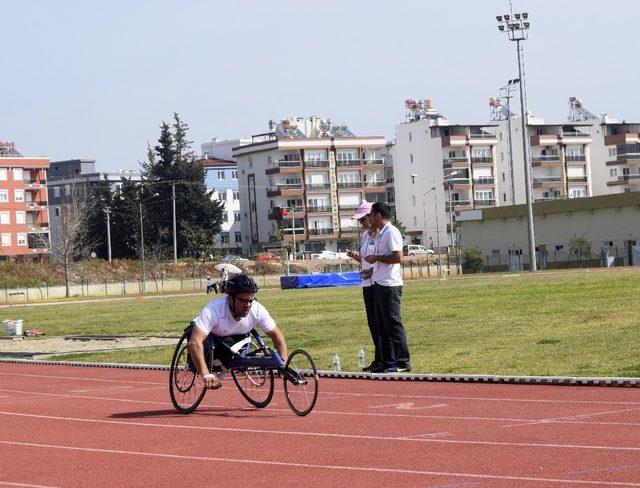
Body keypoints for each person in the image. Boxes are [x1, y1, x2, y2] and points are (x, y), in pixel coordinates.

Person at [188, 274, 288, 389]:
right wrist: (205, 374)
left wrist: (283, 362)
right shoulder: (213, 310)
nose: (248, 305)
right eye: (243, 300)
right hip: (210, 335)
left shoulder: (257, 309)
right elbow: (194, 342)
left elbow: (276, 335)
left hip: (233, 340)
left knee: (233, 347)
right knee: (205, 345)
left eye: (251, 300)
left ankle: (224, 363)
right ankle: (208, 366)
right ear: (230, 299)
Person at [364, 202, 411, 373]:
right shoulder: (380, 234)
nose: (369, 218)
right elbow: (382, 260)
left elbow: (398, 257)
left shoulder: (391, 232)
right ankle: (388, 361)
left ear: (377, 215)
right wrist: (371, 270)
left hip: (390, 285)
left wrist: (376, 257)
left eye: (370, 215)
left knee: (393, 324)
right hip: (378, 283)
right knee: (382, 325)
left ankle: (403, 361)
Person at [347, 201, 383, 372]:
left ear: (372, 216)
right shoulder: (365, 236)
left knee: (380, 322)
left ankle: (384, 358)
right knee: (372, 323)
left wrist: (371, 271)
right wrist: (356, 257)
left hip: (378, 283)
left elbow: (381, 259)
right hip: (366, 284)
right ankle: (378, 358)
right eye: (360, 220)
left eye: (363, 219)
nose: (361, 223)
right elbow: (365, 260)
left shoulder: (381, 235)